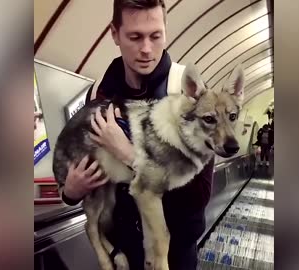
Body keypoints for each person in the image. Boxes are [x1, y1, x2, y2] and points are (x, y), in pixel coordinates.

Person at [60, 0, 214, 269]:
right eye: (135, 37)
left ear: (166, 30)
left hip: (174, 256)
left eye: (156, 36)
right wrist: (70, 192)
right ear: (114, 34)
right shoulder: (98, 94)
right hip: (122, 255)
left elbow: (199, 195)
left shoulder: (189, 94)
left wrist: (130, 155)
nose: (146, 49)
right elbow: (87, 174)